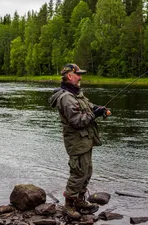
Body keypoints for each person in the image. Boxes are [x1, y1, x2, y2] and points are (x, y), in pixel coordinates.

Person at [49, 63, 110, 220]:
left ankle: (80, 201)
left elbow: (89, 106)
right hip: (76, 142)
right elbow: (76, 121)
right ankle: (69, 206)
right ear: (70, 76)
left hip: (85, 140)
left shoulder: (76, 94)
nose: (81, 77)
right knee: (78, 173)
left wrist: (100, 109)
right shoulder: (66, 98)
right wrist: (93, 115)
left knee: (87, 171)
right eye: (78, 74)